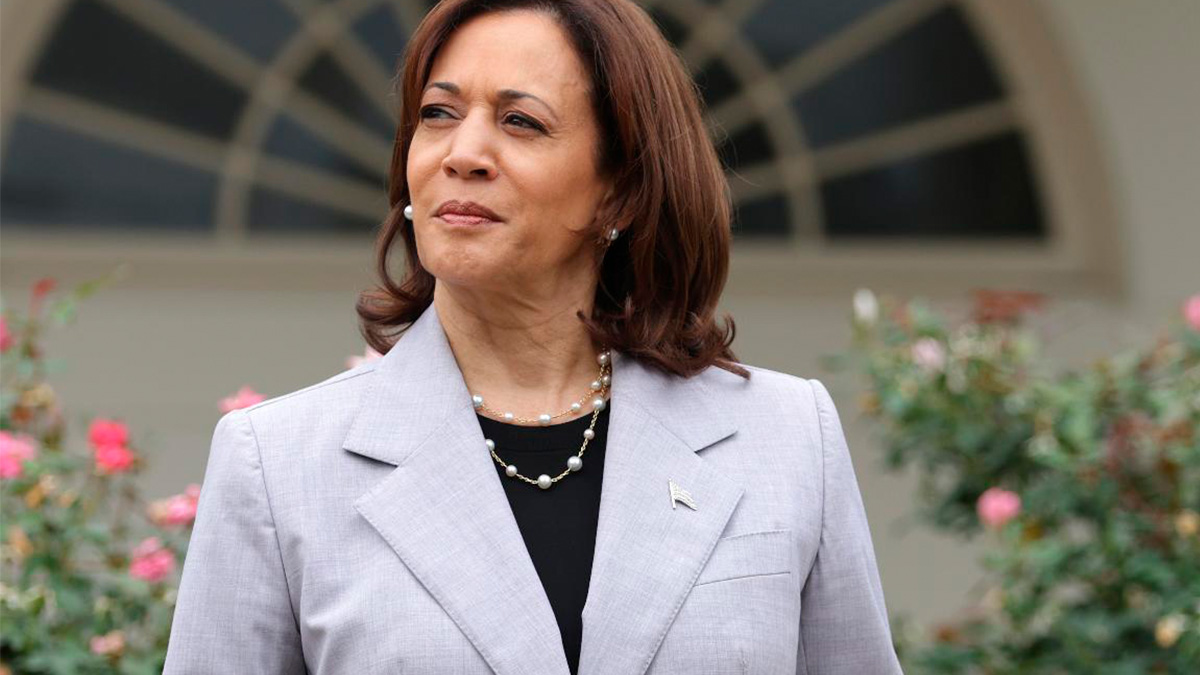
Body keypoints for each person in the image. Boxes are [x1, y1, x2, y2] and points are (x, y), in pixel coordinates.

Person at [163, 0, 902, 673]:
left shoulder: (786, 437)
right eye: (438, 114)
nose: (462, 154)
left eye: (521, 122)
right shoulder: (277, 465)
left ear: (621, 190)